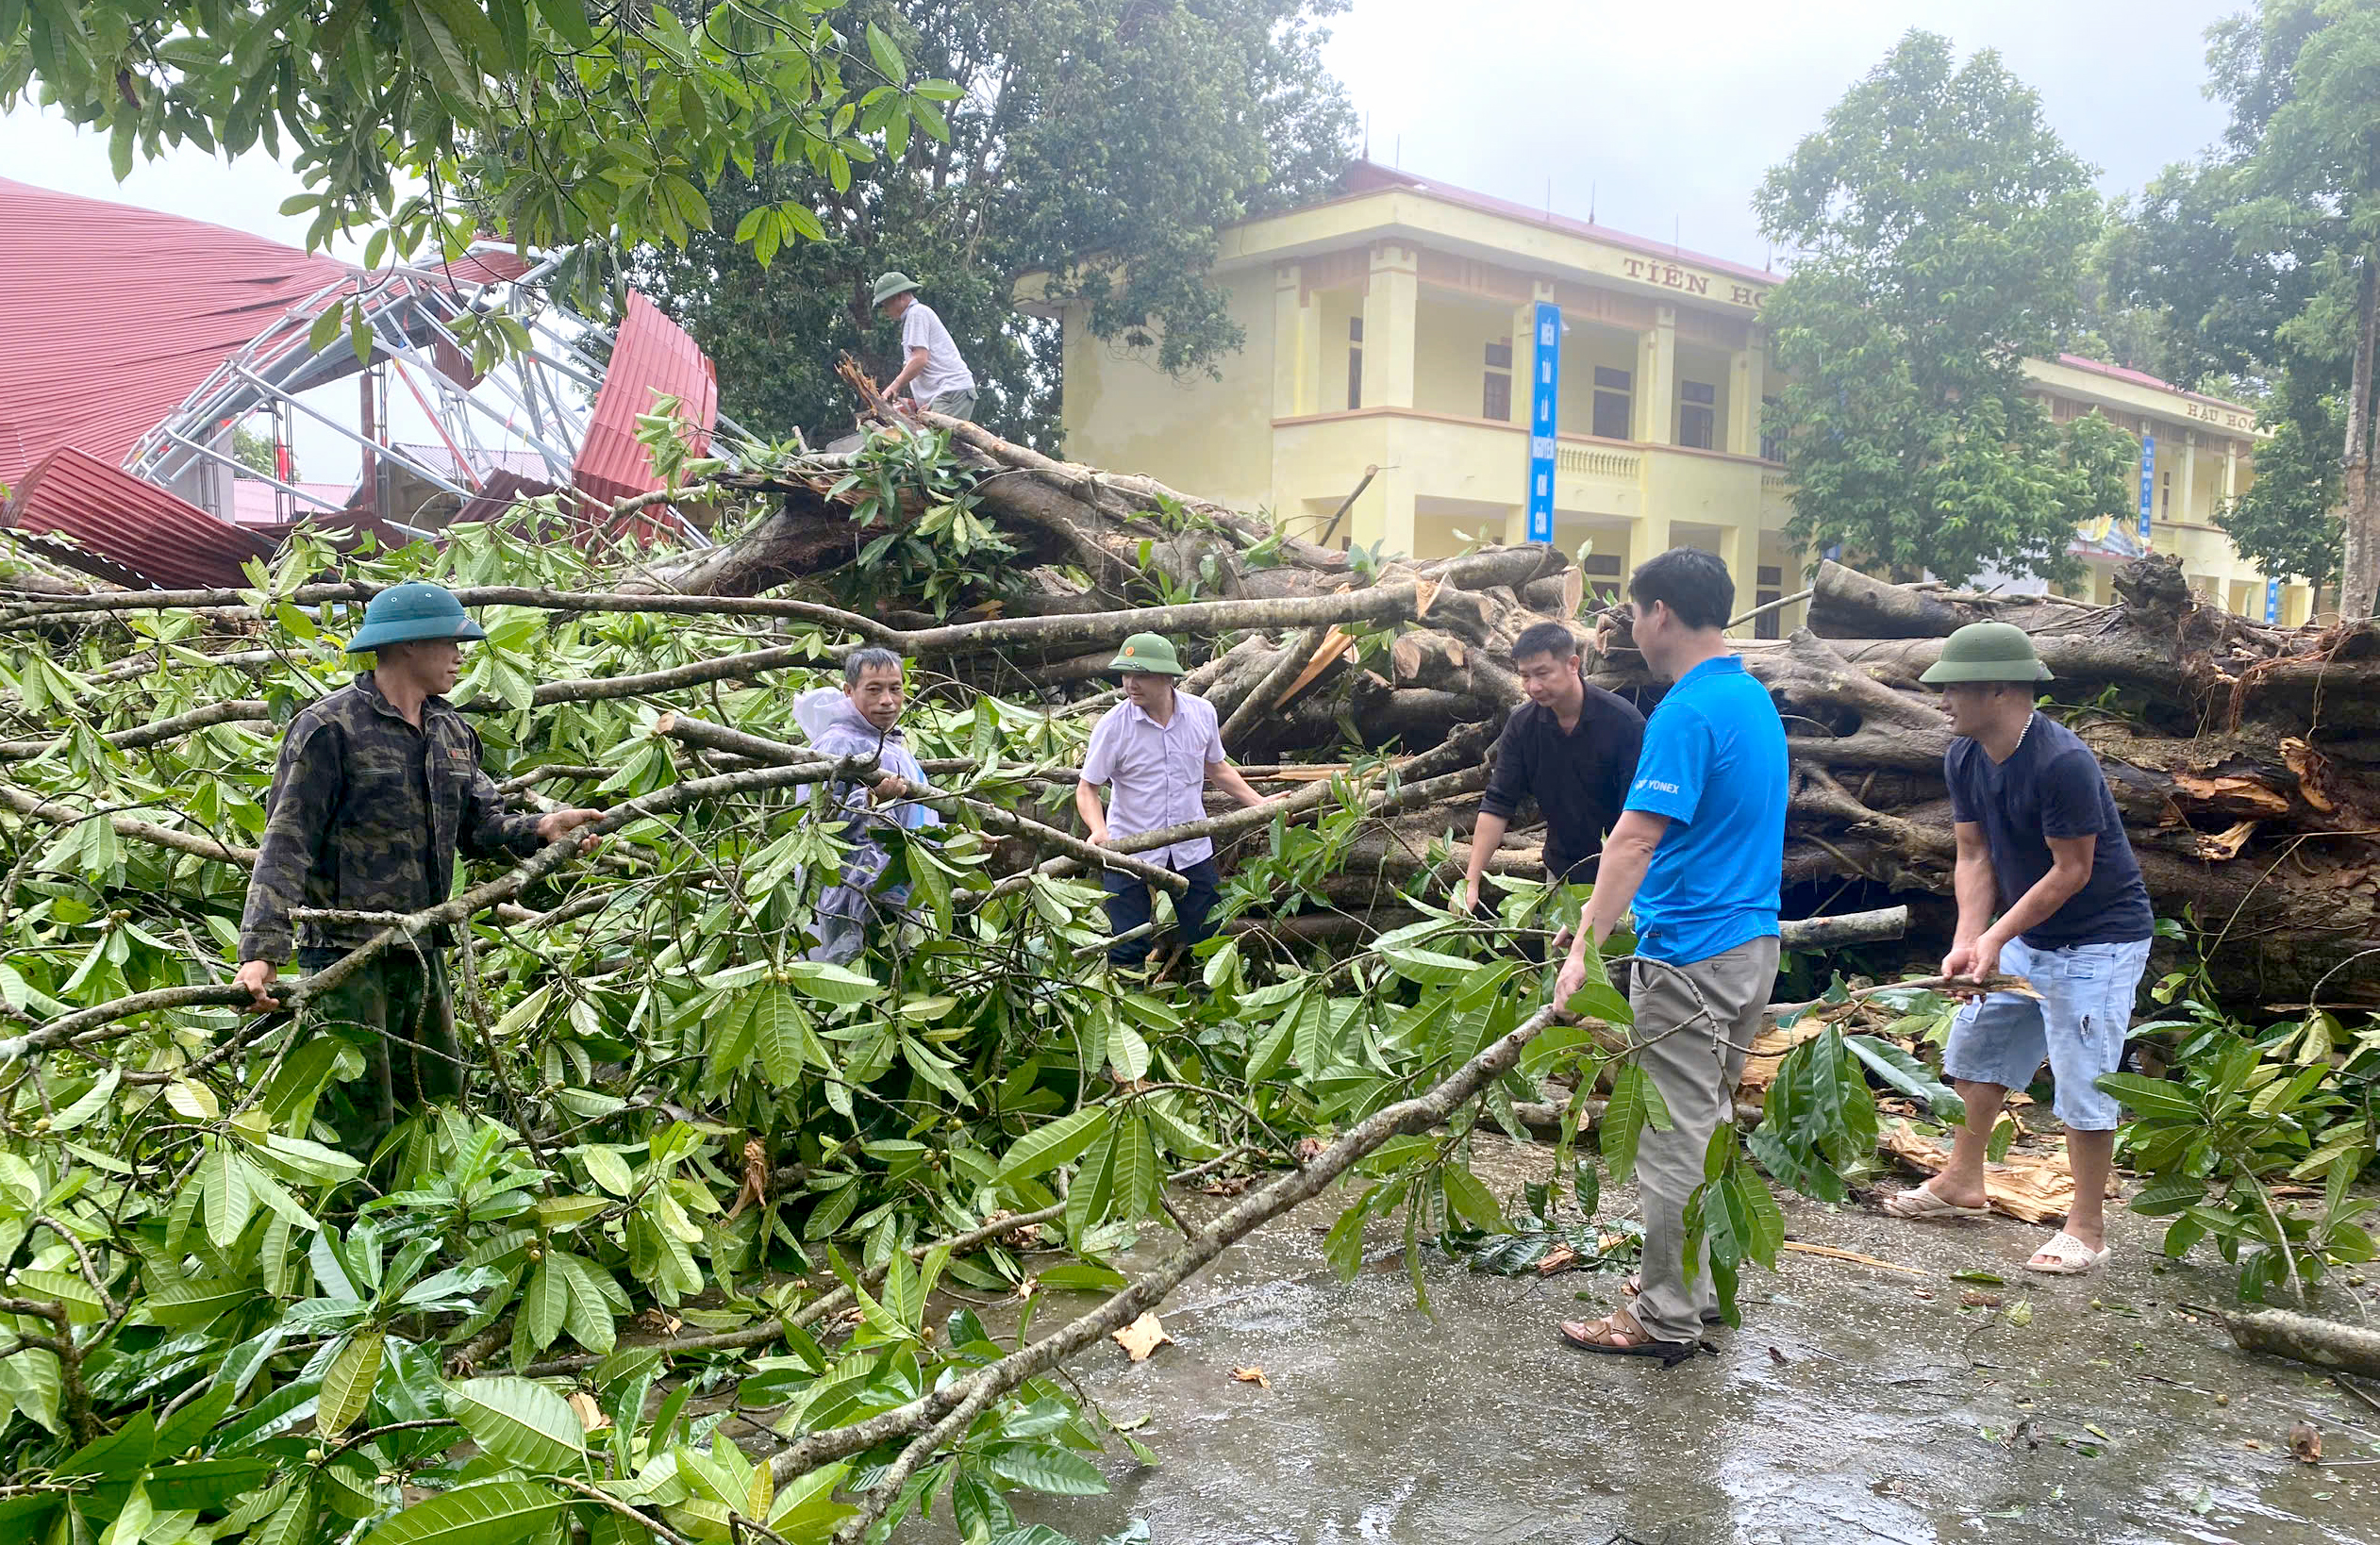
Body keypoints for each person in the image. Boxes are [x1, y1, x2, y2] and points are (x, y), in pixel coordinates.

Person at [234, 582, 603, 1151]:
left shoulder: (451, 732)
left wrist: (543, 829)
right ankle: (353, 1227)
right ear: (407, 645)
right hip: (346, 952)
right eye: (450, 642)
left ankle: (433, 1233)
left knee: (433, 1098)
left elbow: (481, 828)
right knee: (361, 1115)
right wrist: (262, 952)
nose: (461, 654)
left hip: (424, 945)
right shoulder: (330, 728)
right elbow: (287, 842)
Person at [1550, 548, 1788, 1364]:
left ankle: (1662, 1318)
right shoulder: (1751, 699)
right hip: (1750, 944)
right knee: (1711, 1124)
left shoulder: (1685, 713)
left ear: (1659, 614)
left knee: (1673, 1139)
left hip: (1690, 952)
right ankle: (1697, 1288)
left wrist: (1585, 940)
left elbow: (1635, 837)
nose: (1627, 626)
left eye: (1630, 611)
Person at [1883, 623, 2154, 1276]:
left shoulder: (2061, 762)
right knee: (1977, 1048)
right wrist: (1968, 942)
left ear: (1999, 689)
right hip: (2028, 935)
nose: (1940, 700)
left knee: (2082, 1079)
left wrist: (1996, 936)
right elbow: (1973, 854)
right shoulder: (1964, 757)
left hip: (2099, 942)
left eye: (1951, 687)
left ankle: (2085, 1230)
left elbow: (2072, 871)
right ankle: (1960, 1183)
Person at [1075, 632, 1278, 967]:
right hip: (1130, 849)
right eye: (1126, 675)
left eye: (1141, 675)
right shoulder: (1113, 726)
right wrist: (1099, 831)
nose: (1130, 684)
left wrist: (1260, 804)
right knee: (1126, 945)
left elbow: (1217, 768)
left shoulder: (1201, 714)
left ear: (1167, 677)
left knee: (1209, 935)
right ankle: (1128, 1009)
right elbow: (1087, 788)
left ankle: (1210, 1004)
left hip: (1191, 846)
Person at [1462, 620, 1645, 940]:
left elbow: (1639, 821)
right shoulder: (1522, 725)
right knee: (1561, 977)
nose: (1533, 686)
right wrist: (1472, 880)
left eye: (1542, 673)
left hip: (1623, 878)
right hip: (1562, 874)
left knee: (1613, 980)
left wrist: (1610, 897)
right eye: (1524, 676)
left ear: (1573, 664)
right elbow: (1497, 804)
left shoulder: (1623, 722)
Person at [793, 647, 940, 964]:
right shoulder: (837, 744)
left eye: (895, 688)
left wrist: (957, 839)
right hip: (852, 892)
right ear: (849, 691)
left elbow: (919, 813)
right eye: (873, 689)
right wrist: (871, 800)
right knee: (848, 985)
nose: (886, 700)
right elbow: (815, 825)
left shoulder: (892, 744)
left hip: (894, 889)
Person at [873, 271, 978, 422]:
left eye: (886, 305)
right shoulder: (914, 316)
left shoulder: (917, 313)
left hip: (951, 392)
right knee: (926, 440)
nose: (885, 311)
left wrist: (893, 387)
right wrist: (918, 403)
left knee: (931, 443)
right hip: (948, 393)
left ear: (899, 297)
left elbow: (919, 359)